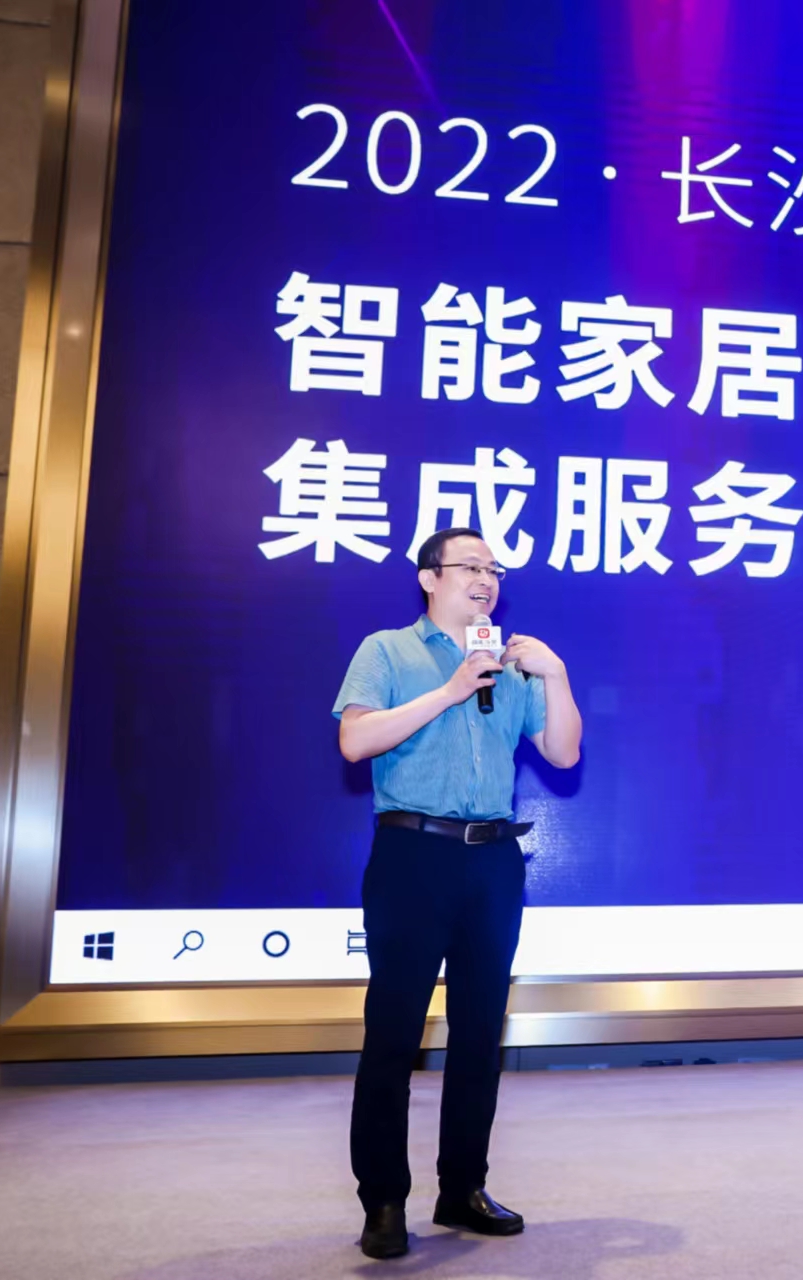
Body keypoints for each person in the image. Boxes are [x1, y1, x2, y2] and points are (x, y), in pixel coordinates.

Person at [333, 526, 583, 1260]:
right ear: (429, 577)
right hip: (413, 854)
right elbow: (355, 741)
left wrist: (555, 674)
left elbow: (563, 751)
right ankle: (384, 1201)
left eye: (494, 569)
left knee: (478, 1034)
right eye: (470, 566)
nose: (486, 580)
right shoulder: (387, 651)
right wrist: (449, 691)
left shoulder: (507, 665)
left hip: (492, 862)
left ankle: (463, 1187)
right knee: (394, 1033)